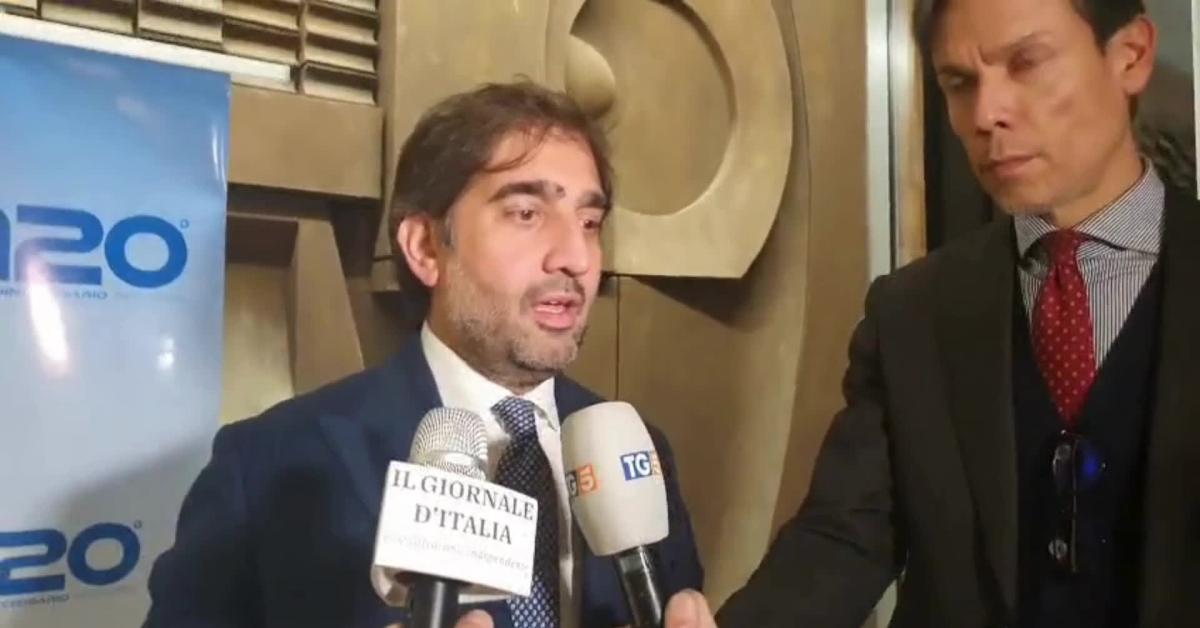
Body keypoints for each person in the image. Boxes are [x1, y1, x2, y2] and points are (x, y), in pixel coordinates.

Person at [143, 81, 703, 628]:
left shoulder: (640, 452)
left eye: (589, 222)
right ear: (425, 248)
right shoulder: (269, 464)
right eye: (526, 214)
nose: (575, 257)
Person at [717, 0, 1200, 626]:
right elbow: (843, 538)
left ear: (1130, 56)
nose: (985, 114)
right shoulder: (914, 311)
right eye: (959, 83)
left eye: (1026, 63)